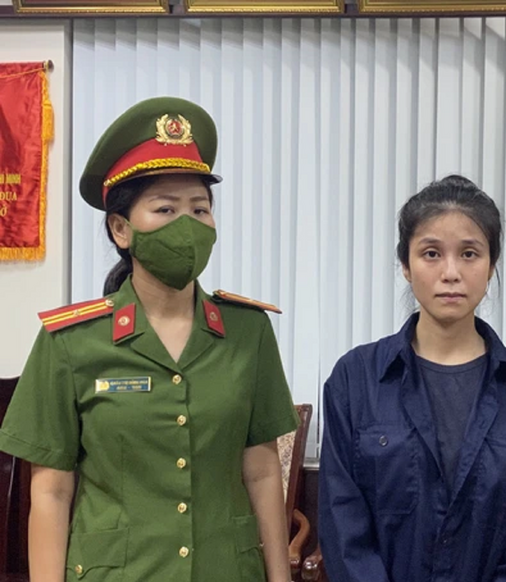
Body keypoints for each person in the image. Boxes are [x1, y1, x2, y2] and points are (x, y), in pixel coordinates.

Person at [0, 97, 298, 582]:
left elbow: (262, 471)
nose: (188, 224)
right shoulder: (71, 342)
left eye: (200, 209)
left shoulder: (249, 332)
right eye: (165, 208)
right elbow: (51, 492)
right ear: (121, 228)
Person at [318, 175, 506, 582]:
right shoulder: (355, 379)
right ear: (406, 266)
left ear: (491, 266)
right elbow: (344, 526)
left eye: (469, 254)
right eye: (431, 253)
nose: (451, 272)